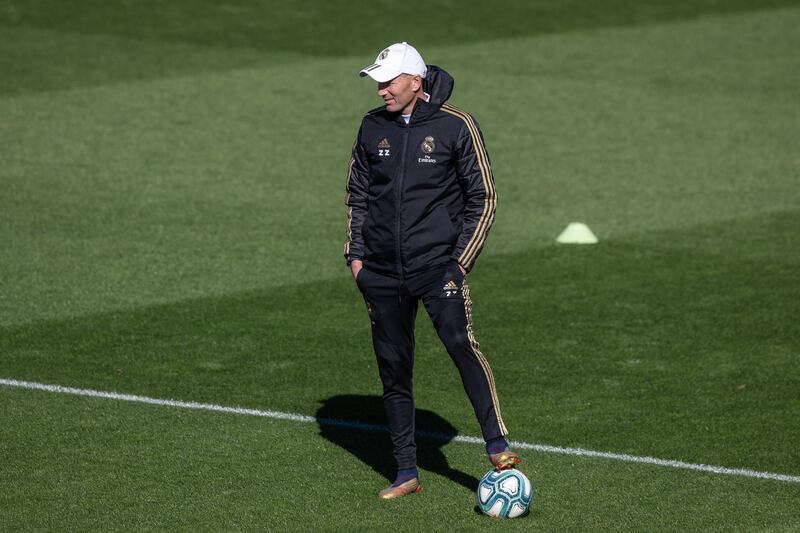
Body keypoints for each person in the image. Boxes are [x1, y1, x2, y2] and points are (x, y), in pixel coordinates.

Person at [344, 42, 520, 500]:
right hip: (380, 272)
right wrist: (356, 259)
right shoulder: (371, 127)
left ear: (415, 82)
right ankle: (406, 472)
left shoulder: (455, 126)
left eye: (388, 81)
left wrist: (459, 263)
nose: (381, 90)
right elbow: (356, 196)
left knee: (460, 343)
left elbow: (484, 198)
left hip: (437, 268)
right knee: (394, 370)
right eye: (378, 83)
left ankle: (497, 445)